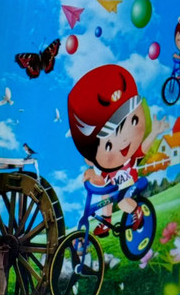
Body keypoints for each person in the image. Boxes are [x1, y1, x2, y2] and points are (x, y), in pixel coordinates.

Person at [67, 65, 168, 237]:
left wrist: (154, 132)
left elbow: (142, 149)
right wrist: (91, 175)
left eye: (134, 120)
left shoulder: (129, 159)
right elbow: (100, 180)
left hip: (131, 185)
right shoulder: (106, 169)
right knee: (105, 195)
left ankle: (136, 211)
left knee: (121, 201)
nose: (124, 141)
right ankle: (106, 222)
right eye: (108, 145)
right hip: (115, 187)